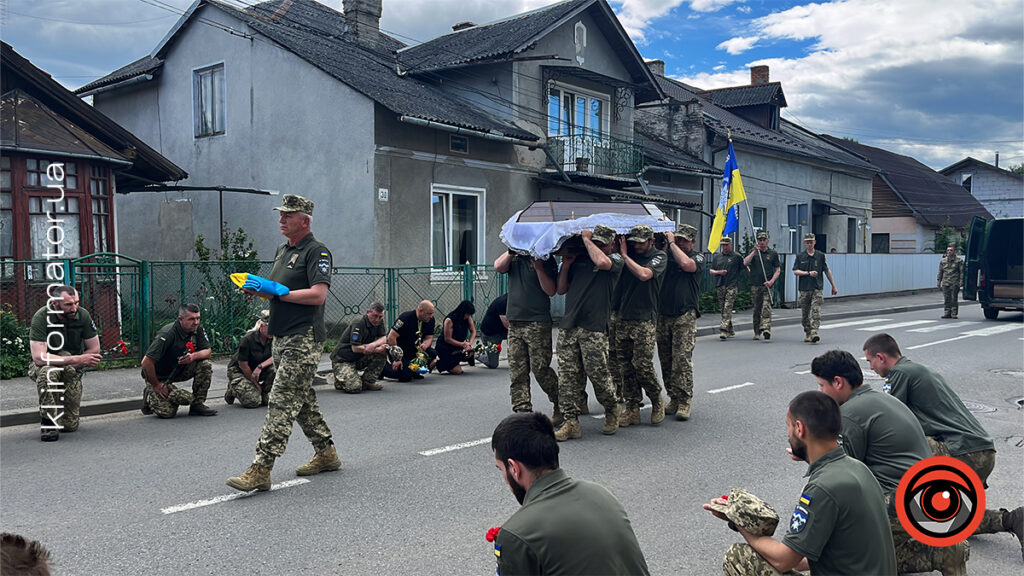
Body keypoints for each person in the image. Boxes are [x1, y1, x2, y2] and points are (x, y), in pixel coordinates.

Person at [810, 349, 968, 575]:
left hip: (900, 500)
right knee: (882, 552)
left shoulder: (848, 415)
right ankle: (943, 550)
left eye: (821, 385)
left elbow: (842, 477)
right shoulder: (883, 399)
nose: (820, 392)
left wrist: (809, 453)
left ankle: (939, 552)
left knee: (845, 555)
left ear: (838, 382)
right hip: (930, 495)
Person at [705, 390, 896, 576]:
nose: (789, 435)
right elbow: (818, 555)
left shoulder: (823, 487)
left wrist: (739, 523)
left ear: (799, 428)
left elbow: (784, 559)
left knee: (739, 557)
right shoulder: (858, 468)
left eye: (788, 426)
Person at [863, 333, 1024, 552]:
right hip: (981, 451)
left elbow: (888, 417)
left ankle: (887, 524)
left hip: (960, 451)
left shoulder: (899, 373)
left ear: (881, 357)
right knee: (947, 518)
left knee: (899, 462)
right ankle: (1012, 519)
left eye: (870, 361)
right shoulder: (917, 369)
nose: (871, 368)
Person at [227, 194, 339, 492]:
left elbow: (317, 295)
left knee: (281, 399)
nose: (282, 219)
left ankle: (261, 468)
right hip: (280, 335)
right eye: (281, 214)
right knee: (301, 399)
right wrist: (260, 290)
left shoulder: (317, 252)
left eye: (288, 215)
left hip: (303, 337)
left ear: (305, 220)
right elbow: (278, 289)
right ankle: (326, 452)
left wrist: (279, 293)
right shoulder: (282, 249)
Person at [490, 412, 651, 575]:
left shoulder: (517, 533)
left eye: (501, 469)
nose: (504, 480)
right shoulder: (600, 493)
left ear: (514, 468)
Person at [552, 226, 624, 441]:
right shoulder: (579, 260)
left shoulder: (616, 260)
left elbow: (602, 262)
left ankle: (612, 409)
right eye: (597, 242)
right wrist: (565, 267)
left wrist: (586, 240)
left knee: (598, 374)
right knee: (567, 377)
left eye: (603, 243)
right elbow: (561, 289)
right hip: (569, 326)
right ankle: (571, 422)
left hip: (594, 327)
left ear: (612, 244)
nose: (599, 246)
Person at [27, 285, 101, 441]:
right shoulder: (42, 317)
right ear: (55, 303)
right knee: (49, 374)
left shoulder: (83, 316)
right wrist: (75, 359)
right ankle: (48, 423)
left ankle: (60, 411)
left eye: (76, 303)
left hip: (71, 366)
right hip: (46, 364)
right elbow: (39, 357)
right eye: (68, 304)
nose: (74, 308)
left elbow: (94, 349)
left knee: (69, 426)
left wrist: (80, 360)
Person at [493, 250, 559, 419]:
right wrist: (510, 252)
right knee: (517, 371)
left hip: (537, 322)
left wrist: (538, 268)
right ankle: (522, 413)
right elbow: (498, 267)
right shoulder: (513, 258)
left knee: (540, 369)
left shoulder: (545, 258)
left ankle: (561, 403)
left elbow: (551, 290)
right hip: (515, 322)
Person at [614, 224, 668, 428]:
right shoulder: (628, 256)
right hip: (623, 316)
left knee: (642, 364)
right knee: (625, 366)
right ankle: (633, 408)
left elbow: (645, 275)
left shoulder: (659, 257)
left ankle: (656, 399)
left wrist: (625, 256)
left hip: (645, 318)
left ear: (651, 241)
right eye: (633, 242)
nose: (636, 246)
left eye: (640, 242)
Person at [656, 224, 703, 421]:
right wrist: (666, 247)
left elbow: (687, 265)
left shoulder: (698, 257)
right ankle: (673, 397)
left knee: (681, 359)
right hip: (663, 314)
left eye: (684, 240)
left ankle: (684, 400)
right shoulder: (667, 256)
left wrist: (673, 244)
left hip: (684, 315)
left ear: (692, 242)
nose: (681, 243)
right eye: (678, 239)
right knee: (666, 359)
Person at [140, 303, 216, 418]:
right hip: (159, 376)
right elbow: (146, 362)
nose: (196, 322)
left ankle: (197, 405)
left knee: (205, 364)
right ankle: (150, 395)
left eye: (198, 318)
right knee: (167, 412)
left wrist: (193, 356)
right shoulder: (168, 333)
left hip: (179, 369)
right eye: (191, 319)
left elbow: (208, 351)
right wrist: (156, 384)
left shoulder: (197, 329)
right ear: (180, 319)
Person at [330, 301, 389, 393]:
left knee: (383, 354)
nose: (377, 319)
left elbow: (384, 337)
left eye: (380, 317)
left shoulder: (379, 322)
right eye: (375, 316)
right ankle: (340, 381)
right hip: (343, 360)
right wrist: (376, 349)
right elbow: (355, 348)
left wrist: (373, 345)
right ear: (368, 312)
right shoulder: (359, 323)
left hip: (359, 357)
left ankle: (367, 381)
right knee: (355, 388)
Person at [225, 309, 275, 408]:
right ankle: (232, 388)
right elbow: (243, 364)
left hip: (258, 370)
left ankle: (264, 393)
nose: (273, 330)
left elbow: (277, 355)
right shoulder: (247, 339)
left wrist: (260, 367)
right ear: (261, 326)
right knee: (253, 402)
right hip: (240, 371)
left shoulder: (275, 337)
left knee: (276, 369)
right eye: (270, 327)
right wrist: (255, 383)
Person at [793, 233, 838, 343]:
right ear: (805, 243)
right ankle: (808, 331)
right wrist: (807, 273)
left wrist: (833, 285)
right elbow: (795, 271)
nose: (809, 244)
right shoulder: (800, 256)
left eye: (811, 242)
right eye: (807, 242)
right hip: (804, 288)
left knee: (815, 311)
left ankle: (814, 332)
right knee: (805, 314)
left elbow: (827, 270)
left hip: (817, 287)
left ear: (815, 242)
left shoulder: (820, 256)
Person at [381, 300, 438, 382]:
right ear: (420, 310)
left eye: (432, 313)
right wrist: (397, 359)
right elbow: (391, 338)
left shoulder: (430, 320)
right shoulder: (405, 318)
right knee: (405, 376)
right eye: (429, 313)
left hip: (415, 349)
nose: (431, 316)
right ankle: (383, 369)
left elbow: (429, 337)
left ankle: (414, 370)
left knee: (433, 354)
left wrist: (425, 344)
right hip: (401, 350)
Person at [743, 231, 780, 340]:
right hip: (755, 285)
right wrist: (754, 252)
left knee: (766, 306)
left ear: (767, 241)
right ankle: (757, 331)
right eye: (760, 240)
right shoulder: (755, 253)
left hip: (767, 285)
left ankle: (766, 328)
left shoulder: (772, 254)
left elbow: (777, 270)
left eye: (764, 240)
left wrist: (772, 281)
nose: (762, 242)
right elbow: (745, 263)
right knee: (757, 309)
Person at [710, 236, 743, 340]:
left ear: (731, 245)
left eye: (726, 245)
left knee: (728, 307)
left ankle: (724, 329)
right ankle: (730, 329)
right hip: (720, 285)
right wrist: (719, 272)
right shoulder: (717, 257)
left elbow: (744, 266)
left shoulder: (736, 257)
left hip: (732, 285)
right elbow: (711, 270)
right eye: (722, 245)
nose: (724, 247)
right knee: (723, 309)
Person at [435, 300, 477, 375]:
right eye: (467, 314)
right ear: (462, 312)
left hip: (459, 345)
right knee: (458, 371)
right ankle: (436, 363)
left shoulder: (468, 318)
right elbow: (447, 339)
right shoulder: (450, 320)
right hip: (446, 347)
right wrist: (463, 345)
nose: (468, 316)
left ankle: (453, 362)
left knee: (470, 353)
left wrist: (469, 343)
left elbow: (473, 331)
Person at [477, 293, 508, 369]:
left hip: (502, 331)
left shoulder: (519, 301)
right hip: (490, 334)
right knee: (493, 364)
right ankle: (476, 353)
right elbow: (507, 324)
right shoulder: (503, 302)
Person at [937, 245, 964, 318]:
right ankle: (947, 312)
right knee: (946, 298)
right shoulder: (943, 261)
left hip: (954, 282)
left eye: (951, 250)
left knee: (954, 298)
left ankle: (954, 313)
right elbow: (940, 272)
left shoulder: (959, 261)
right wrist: (939, 281)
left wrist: (961, 281)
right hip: (945, 282)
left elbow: (961, 272)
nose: (949, 252)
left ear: (954, 251)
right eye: (948, 250)